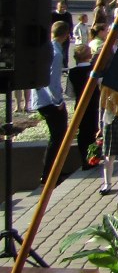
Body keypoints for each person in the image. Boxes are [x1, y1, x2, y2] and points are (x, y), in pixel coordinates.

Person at [33, 21, 69, 185]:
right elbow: (53, 80)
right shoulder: (56, 53)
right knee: (58, 137)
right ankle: (50, 174)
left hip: (40, 98)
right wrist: (58, 101)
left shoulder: (45, 48)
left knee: (57, 137)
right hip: (49, 102)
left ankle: (49, 173)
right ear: (66, 35)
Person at [67, 44, 99, 170]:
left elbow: (70, 93)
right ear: (89, 55)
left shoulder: (73, 72)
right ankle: (94, 158)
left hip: (80, 106)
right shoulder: (94, 70)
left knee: (83, 134)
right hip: (94, 104)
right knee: (95, 132)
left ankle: (84, 160)